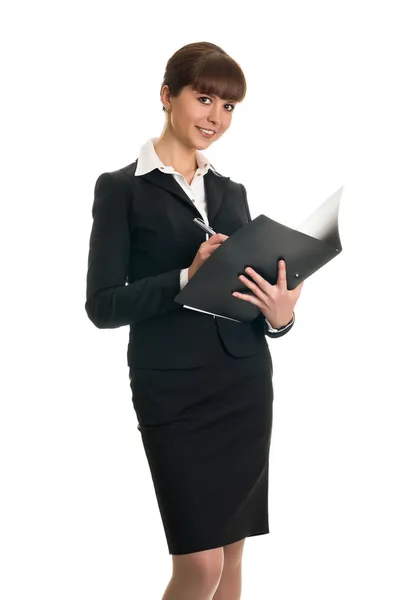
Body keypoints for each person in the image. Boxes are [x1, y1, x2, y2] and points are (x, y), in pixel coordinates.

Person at [85, 41, 303, 600]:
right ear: (166, 95)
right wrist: (185, 277)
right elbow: (103, 305)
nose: (216, 118)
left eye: (229, 107)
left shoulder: (232, 193)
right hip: (173, 393)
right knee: (199, 567)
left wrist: (279, 317)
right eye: (205, 99)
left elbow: (250, 301)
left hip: (243, 385)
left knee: (231, 564)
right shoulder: (121, 190)